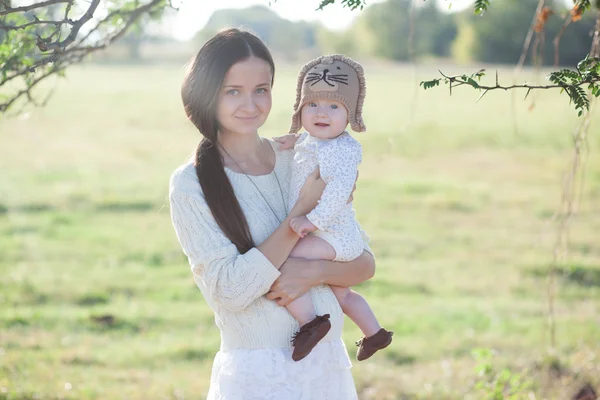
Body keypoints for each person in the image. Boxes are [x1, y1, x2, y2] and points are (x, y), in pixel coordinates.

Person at [169, 28, 377, 399]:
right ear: (205, 93)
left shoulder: (303, 156)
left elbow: (363, 263)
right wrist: (300, 214)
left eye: (261, 89)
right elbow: (231, 291)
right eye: (232, 91)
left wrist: (313, 271)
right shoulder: (191, 184)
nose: (250, 105)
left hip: (327, 369)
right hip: (256, 376)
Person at [273, 55, 393, 362]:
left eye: (334, 107)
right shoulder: (315, 140)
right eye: (312, 105)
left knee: (282, 261)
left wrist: (312, 219)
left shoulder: (341, 149)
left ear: (350, 114)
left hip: (332, 235)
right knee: (343, 295)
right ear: (300, 109)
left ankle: (310, 323)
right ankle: (375, 333)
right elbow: (307, 147)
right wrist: (292, 140)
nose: (321, 113)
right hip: (339, 236)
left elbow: (339, 191)